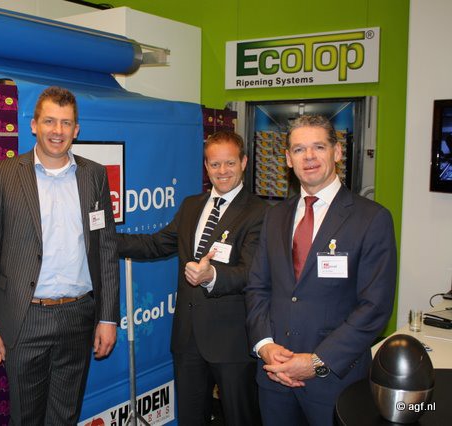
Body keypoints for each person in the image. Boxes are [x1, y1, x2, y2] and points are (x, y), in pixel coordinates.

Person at [245, 114, 397, 426]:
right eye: (299, 149)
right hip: (274, 378)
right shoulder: (275, 216)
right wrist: (265, 345)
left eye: (319, 147)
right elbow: (258, 287)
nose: (309, 157)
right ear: (288, 159)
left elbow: (375, 307)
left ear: (337, 152)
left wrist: (317, 361)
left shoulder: (371, 219)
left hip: (335, 382)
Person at [0, 86, 119, 425]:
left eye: (66, 123)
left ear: (77, 130)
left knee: (65, 416)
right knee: (26, 417)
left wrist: (107, 318)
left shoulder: (94, 175)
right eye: (49, 121)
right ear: (34, 125)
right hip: (25, 317)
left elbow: (105, 248)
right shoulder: (4, 174)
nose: (57, 131)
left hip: (78, 315)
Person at [118, 130, 267, 425]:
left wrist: (212, 275)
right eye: (215, 164)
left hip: (232, 342)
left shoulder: (260, 212)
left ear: (243, 162)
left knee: (241, 418)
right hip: (187, 339)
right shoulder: (191, 206)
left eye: (230, 163)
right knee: (189, 418)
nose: (222, 171)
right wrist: (103, 239)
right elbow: (156, 244)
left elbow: (251, 273)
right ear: (206, 166)